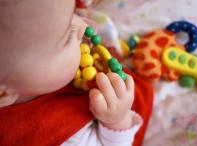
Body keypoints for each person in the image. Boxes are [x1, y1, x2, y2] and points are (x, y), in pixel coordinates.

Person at [0, 0, 153, 145]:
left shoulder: (19, 67)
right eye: (67, 37)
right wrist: (117, 121)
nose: (81, 28)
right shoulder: (68, 139)